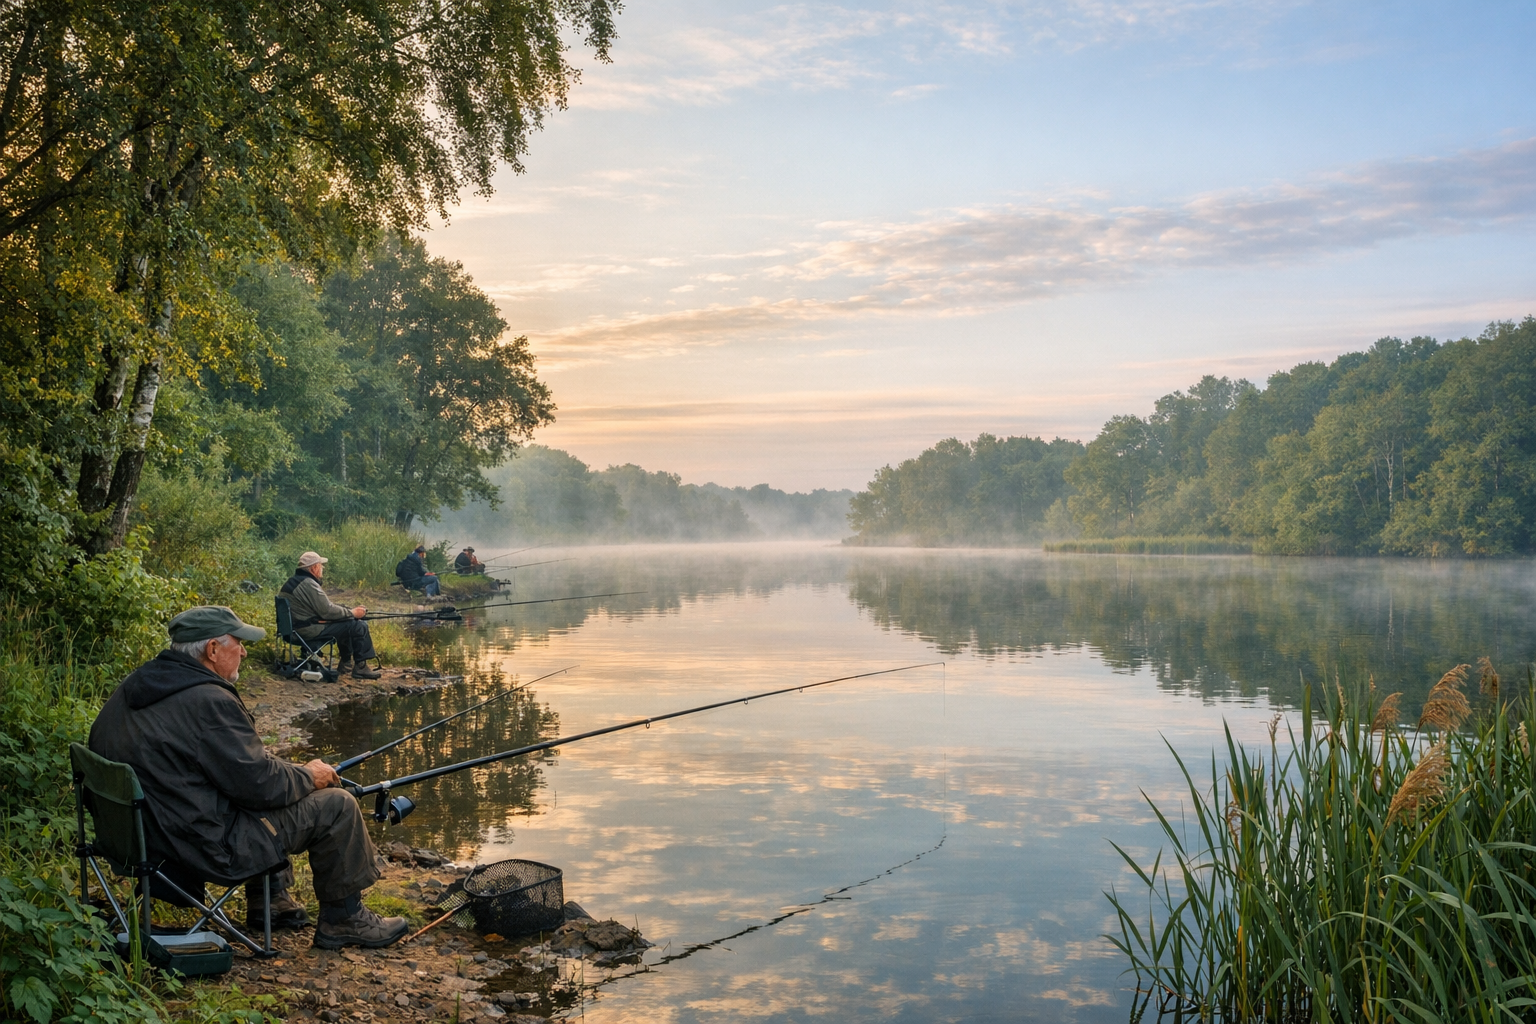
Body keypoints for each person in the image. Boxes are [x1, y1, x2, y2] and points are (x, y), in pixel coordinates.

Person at [88, 605, 410, 949]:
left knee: (267, 788)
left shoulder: (135, 687)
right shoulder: (209, 701)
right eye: (237, 643)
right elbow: (262, 787)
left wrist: (292, 774)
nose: (243, 651)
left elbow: (237, 772)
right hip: (199, 848)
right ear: (212, 650)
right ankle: (345, 920)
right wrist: (307, 775)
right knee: (337, 805)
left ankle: (271, 901)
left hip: (141, 839)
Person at [282, 551, 383, 679]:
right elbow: (327, 611)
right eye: (321, 565)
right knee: (358, 625)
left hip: (295, 630)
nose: (322, 568)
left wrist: (347, 612)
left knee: (345, 621)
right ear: (314, 568)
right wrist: (352, 613)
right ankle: (360, 668)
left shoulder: (294, 581)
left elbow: (322, 608)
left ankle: (346, 665)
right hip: (306, 630)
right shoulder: (308, 584)